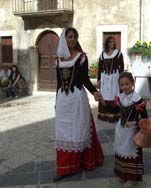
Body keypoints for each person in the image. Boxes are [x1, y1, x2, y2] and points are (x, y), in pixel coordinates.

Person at [54, 28, 104, 181]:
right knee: (63, 132)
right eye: (69, 37)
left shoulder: (81, 57)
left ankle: (80, 162)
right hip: (63, 100)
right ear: (64, 39)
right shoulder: (59, 59)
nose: (72, 39)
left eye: (74, 37)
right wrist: (56, 101)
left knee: (78, 129)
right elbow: (58, 83)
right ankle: (64, 167)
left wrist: (94, 92)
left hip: (77, 98)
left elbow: (84, 79)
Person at [102, 72, 148, 188]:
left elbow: (145, 119)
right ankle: (123, 173)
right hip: (121, 130)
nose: (124, 87)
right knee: (121, 152)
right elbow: (113, 110)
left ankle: (132, 179)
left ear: (132, 84)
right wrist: (103, 102)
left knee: (131, 153)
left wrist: (135, 122)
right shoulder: (120, 98)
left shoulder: (137, 100)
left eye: (127, 84)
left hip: (133, 132)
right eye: (122, 85)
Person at [97, 36, 124, 122]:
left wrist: (121, 79)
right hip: (104, 77)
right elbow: (100, 67)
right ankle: (104, 115)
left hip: (115, 77)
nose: (112, 43)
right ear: (107, 43)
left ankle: (114, 115)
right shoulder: (102, 54)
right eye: (110, 42)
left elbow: (121, 67)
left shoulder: (118, 53)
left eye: (113, 41)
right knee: (104, 95)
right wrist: (98, 79)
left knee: (114, 94)